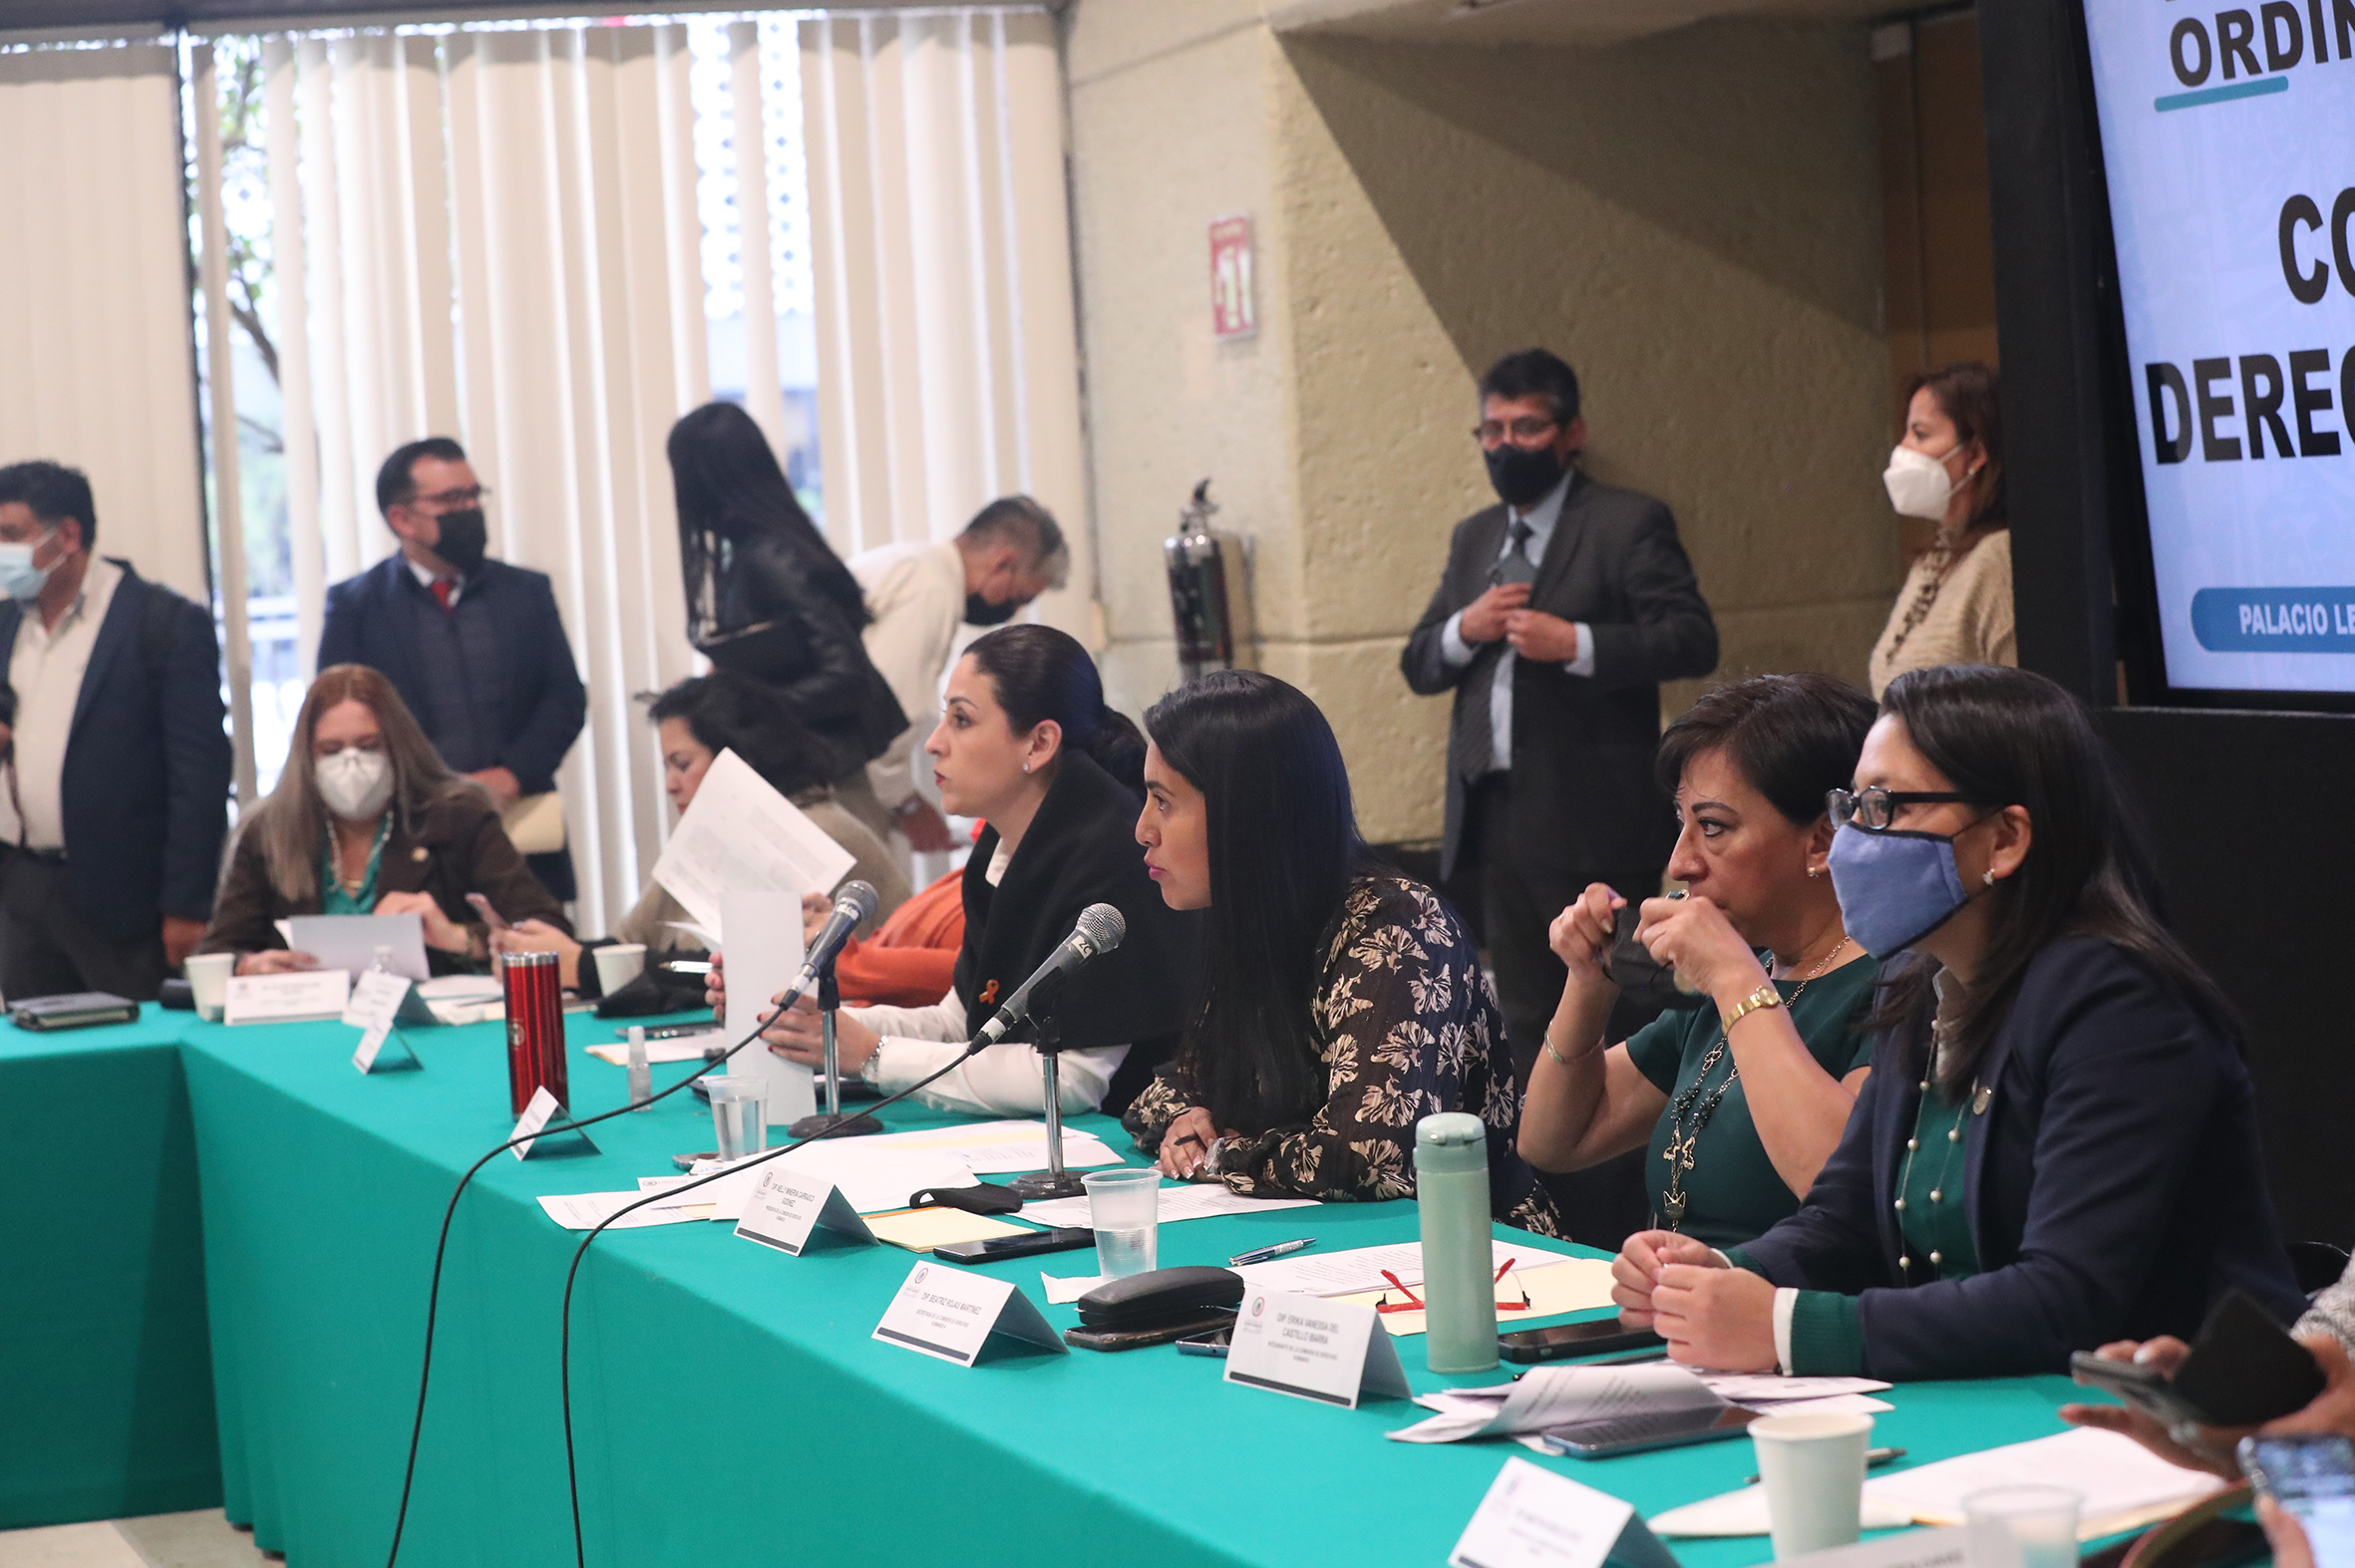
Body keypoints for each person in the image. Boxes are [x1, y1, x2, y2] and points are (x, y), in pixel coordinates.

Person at [1609, 665, 2304, 1380]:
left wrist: (1786, 1326)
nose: (1850, 841)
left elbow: (2065, 1299)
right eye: (1851, 807)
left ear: (2004, 838)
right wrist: (1722, 1274)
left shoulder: (2121, 1004)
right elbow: (1846, 1220)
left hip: (2173, 1419)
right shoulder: (1923, 984)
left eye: (1884, 808)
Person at [1120, 671, 1563, 1234]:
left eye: (1163, 802)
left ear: (1245, 813)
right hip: (1331, 1239)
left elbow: (1366, 1156)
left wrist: (1222, 1155)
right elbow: (1162, 1093)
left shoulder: (1396, 931)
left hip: (1475, 1247)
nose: (1142, 830)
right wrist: (1189, 1120)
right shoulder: (1254, 923)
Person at [714, 624, 1197, 1116]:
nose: (933, 743)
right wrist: (817, 1025)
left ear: (1038, 744)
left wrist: (873, 1055)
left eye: (962, 719)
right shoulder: (1000, 847)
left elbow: (1072, 1079)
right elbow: (961, 1022)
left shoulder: (1112, 852)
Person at [1402, 348, 1719, 1090]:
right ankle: (1541, 1156)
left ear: (1571, 433)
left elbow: (1691, 638)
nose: (1505, 445)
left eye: (1526, 427)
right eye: (1492, 430)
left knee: (1618, 1013)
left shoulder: (1625, 521)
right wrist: (1466, 628)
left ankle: (1623, 1158)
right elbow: (1419, 662)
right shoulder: (1476, 535)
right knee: (1523, 1018)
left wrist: (1574, 642)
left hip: (1591, 820)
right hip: (1492, 816)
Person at [1517, 674, 1882, 1250]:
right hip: (1673, 1294)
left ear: (1821, 841)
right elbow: (1552, 1140)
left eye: (1712, 827)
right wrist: (1590, 982)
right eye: (1681, 823)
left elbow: (1843, 1184)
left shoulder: (1896, 984)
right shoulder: (1745, 969)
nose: (1680, 862)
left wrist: (1734, 977)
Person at [493, 671, 906, 995]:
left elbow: (746, 972)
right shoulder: (710, 837)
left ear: (741, 757)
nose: (670, 785)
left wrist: (578, 964)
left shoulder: (815, 833)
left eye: (682, 764)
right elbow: (630, 943)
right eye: (667, 768)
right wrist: (548, 951)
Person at [318, 438, 588, 901]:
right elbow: (340, 719)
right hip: (411, 840)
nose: (469, 509)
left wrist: (510, 776)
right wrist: (436, 788)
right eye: (450, 499)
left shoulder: (525, 592)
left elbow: (564, 698)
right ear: (401, 518)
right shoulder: (356, 608)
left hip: (521, 828)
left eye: (473, 495)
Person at [0, 462, 231, 1001]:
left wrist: (187, 904)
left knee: (137, 1043)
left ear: (68, 535)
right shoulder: (7, 624)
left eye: (12, 534)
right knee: (34, 1047)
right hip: (24, 886)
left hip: (125, 897)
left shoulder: (162, 622)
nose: (2, 552)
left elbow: (199, 775)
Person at [199, 665, 565, 974]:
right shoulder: (268, 830)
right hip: (304, 1023)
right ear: (307, 757)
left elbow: (549, 932)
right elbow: (214, 956)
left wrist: (461, 938)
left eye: (368, 746)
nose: (351, 763)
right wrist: (248, 966)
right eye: (331, 750)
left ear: (397, 745)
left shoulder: (458, 816)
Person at [669, 402, 904, 845]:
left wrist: (744, 708)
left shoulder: (770, 559)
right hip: (812, 779)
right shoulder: (759, 554)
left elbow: (846, 676)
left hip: (826, 786)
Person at [850, 495, 1069, 853]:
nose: (1011, 611)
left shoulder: (908, 562)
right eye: (1019, 597)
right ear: (1003, 563)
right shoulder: (931, 591)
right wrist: (906, 804)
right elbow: (885, 713)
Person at [1867, 363, 2013, 697]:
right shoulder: (1937, 554)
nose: (1903, 450)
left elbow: (2035, 707)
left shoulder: (2000, 557)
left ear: (1974, 453)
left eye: (1920, 434)